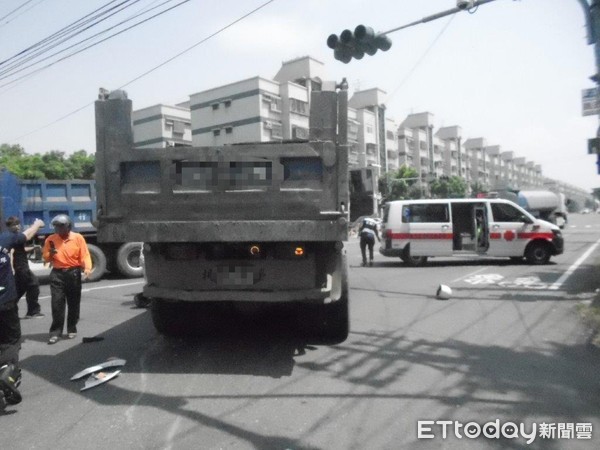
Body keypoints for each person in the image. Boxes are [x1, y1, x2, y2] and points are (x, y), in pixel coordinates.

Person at [0, 217, 44, 411]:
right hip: (5, 303)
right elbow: (26, 235)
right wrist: (37, 224)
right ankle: (7, 377)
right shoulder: (5, 239)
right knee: (11, 342)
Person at [42, 214, 92, 345]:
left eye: (61, 226)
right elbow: (45, 258)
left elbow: (85, 255)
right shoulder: (50, 240)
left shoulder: (77, 238)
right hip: (57, 274)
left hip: (73, 273)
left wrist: (86, 269)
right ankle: (55, 332)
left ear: (68, 227)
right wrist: (50, 254)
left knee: (74, 303)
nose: (58, 229)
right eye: (56, 227)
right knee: (57, 303)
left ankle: (71, 327)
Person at [5, 217, 43, 319]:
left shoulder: (15, 237)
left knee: (19, 289)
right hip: (20, 267)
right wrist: (12, 268)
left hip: (21, 267)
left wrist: (33, 248)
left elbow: (20, 249)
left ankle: (8, 311)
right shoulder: (12, 237)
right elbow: (11, 252)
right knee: (33, 284)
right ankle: (33, 311)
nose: (17, 226)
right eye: (14, 225)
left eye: (18, 224)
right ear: (8, 227)